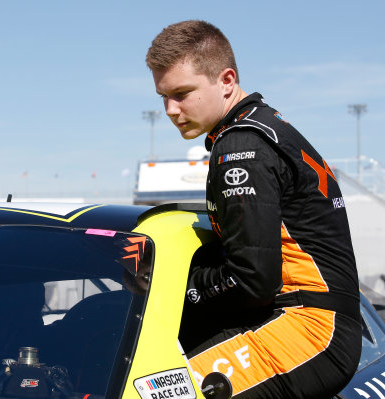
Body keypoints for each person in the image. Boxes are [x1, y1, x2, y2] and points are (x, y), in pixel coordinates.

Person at [146, 20, 362, 398]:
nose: (169, 109)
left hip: (310, 327)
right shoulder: (264, 126)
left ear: (226, 80)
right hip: (316, 321)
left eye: (181, 93)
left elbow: (252, 279)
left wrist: (172, 291)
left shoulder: (242, 147)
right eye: (163, 97)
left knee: (156, 391)